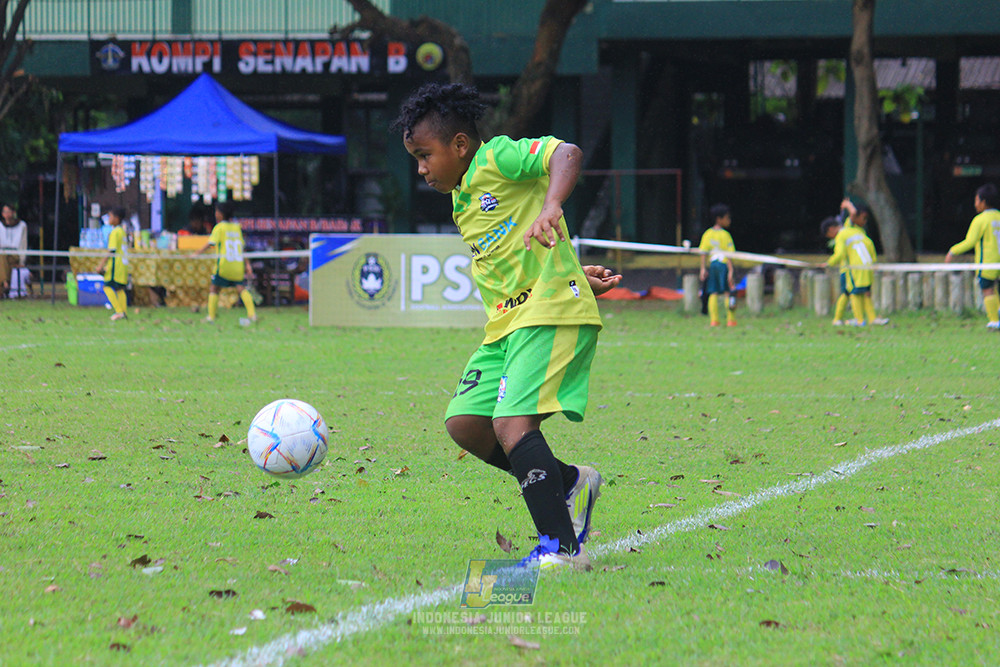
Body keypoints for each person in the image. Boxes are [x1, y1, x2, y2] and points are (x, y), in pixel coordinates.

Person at [392, 82, 621, 571]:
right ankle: (568, 482)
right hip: (507, 326)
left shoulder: (497, 157)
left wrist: (553, 205)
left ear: (458, 145)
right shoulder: (460, 200)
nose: (421, 169)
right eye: (414, 158)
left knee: (512, 424)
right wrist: (574, 273)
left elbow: (568, 154)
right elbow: (515, 258)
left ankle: (561, 549)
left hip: (547, 313)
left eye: (425, 155)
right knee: (466, 424)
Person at [945, 183, 1000, 329]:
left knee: (987, 289)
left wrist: (952, 251)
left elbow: (970, 241)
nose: (975, 204)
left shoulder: (980, 220)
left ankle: (994, 321)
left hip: (987, 262)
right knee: (996, 289)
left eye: (976, 200)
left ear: (983, 202)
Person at [819, 216, 887, 326]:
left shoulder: (842, 234)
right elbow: (869, 244)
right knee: (862, 292)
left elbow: (839, 254)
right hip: (866, 266)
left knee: (852, 293)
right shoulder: (855, 231)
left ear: (831, 229)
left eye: (829, 236)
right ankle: (870, 318)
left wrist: (829, 263)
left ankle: (858, 320)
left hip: (851, 269)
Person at [197, 201, 256, 325]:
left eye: (216, 211)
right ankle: (252, 315)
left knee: (214, 288)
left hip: (224, 265)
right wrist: (248, 265)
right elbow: (242, 248)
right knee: (241, 288)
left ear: (220, 214)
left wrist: (196, 253)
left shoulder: (220, 227)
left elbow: (210, 243)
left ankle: (211, 317)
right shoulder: (236, 227)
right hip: (237, 265)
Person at [698, 203, 736, 327]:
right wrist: (731, 271)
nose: (729, 220)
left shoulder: (707, 234)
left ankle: (714, 320)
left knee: (713, 292)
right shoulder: (725, 235)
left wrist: (703, 268)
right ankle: (731, 319)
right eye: (727, 218)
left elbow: (703, 252)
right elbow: (729, 255)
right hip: (723, 266)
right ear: (719, 219)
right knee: (727, 292)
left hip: (713, 265)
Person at [95, 207, 130, 321]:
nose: (109, 219)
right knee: (120, 289)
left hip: (116, 265)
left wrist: (101, 265)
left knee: (107, 286)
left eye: (110, 216)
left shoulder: (115, 232)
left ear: (117, 218)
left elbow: (111, 250)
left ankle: (119, 311)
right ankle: (123, 312)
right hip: (123, 264)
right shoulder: (122, 231)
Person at [0, 202, 28, 296]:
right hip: (3, 254)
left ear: (13, 213)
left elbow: (23, 245)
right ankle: (5, 283)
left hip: (14, 254)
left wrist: (22, 262)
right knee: (2, 257)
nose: (7, 214)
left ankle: (4, 284)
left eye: (9, 212)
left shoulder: (22, 225)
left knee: (2, 258)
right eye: (5, 212)